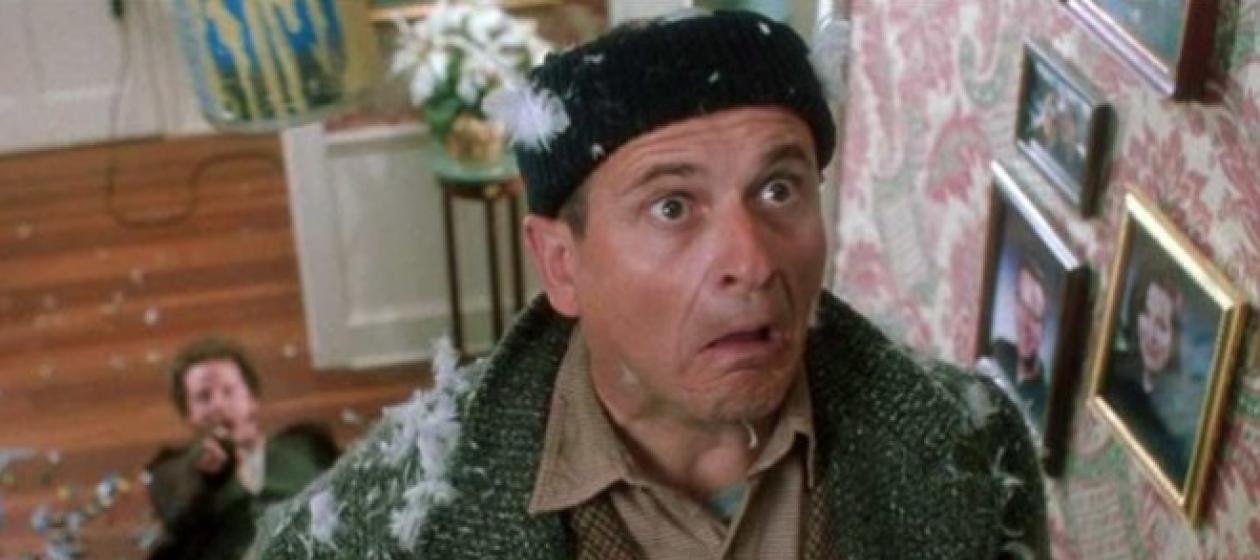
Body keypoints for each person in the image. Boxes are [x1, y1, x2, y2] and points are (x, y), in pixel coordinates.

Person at [251, 10, 1047, 558]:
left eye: (779, 189)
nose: (752, 262)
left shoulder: (976, 447)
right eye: (672, 206)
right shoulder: (389, 522)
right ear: (562, 264)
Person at [146, 337, 338, 560]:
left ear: (252, 399)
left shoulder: (304, 449)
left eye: (229, 391)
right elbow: (177, 514)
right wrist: (209, 480)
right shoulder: (175, 473)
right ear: (188, 414)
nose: (218, 405)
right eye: (203, 397)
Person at [1102, 259, 1199, 485]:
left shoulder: (1177, 420)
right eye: (1146, 314)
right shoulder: (1112, 372)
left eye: (1162, 326)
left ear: (1176, 338)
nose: (1151, 335)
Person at [990, 257, 1051, 430]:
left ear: (1044, 328)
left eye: (1035, 315)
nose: (1025, 323)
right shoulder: (998, 349)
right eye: (1022, 304)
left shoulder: (1044, 405)